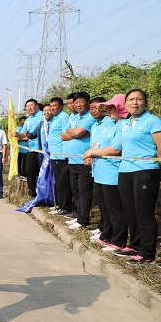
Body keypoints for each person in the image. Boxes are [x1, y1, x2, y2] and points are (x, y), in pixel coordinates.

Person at [92, 89, 161, 265]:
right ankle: (134, 246)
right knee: (130, 211)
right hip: (125, 171)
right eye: (131, 99)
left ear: (145, 102)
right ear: (125, 104)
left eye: (139, 99)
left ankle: (147, 252)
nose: (135, 102)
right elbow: (117, 147)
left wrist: (160, 172)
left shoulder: (152, 121)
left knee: (144, 211)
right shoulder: (124, 124)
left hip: (146, 170)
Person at [82, 96, 127, 253]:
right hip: (100, 171)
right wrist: (90, 152)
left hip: (112, 173)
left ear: (121, 107)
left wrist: (92, 152)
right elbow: (98, 144)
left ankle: (118, 240)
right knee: (105, 208)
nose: (107, 110)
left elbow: (115, 149)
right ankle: (107, 234)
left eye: (111, 107)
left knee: (115, 210)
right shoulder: (111, 125)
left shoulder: (123, 125)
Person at [61, 92, 95, 230]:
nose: (78, 104)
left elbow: (77, 132)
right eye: (76, 102)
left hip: (84, 161)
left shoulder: (90, 116)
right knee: (76, 191)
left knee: (84, 191)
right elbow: (63, 136)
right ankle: (79, 216)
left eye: (81, 101)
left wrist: (75, 133)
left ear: (87, 102)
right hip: (72, 160)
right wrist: (75, 133)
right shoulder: (74, 117)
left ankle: (83, 220)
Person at [47, 97, 72, 216]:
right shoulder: (55, 118)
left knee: (63, 183)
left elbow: (65, 135)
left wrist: (64, 153)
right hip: (54, 155)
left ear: (61, 106)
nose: (52, 108)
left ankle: (65, 207)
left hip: (61, 155)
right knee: (58, 182)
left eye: (55, 105)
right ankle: (60, 205)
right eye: (51, 105)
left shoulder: (64, 117)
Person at [15, 99, 42, 197]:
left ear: (37, 106)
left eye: (31, 105)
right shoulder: (28, 120)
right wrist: (16, 134)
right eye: (27, 106)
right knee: (29, 171)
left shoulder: (43, 116)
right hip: (31, 149)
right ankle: (32, 192)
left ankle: (42, 192)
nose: (29, 108)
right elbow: (23, 133)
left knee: (41, 172)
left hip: (42, 150)